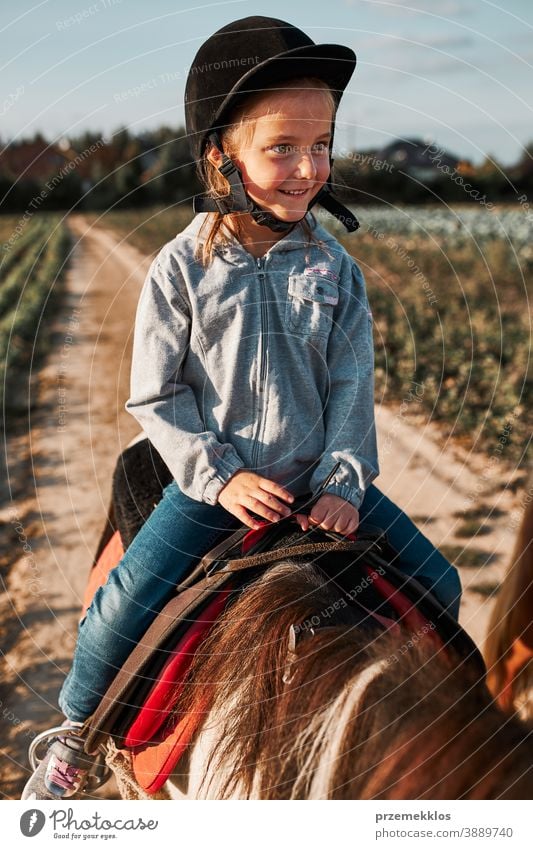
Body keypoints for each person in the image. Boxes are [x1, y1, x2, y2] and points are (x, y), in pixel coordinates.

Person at [22, 16, 461, 800]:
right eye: (282, 148)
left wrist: (343, 480)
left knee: (440, 584)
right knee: (120, 612)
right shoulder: (179, 269)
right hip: (214, 485)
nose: (306, 167)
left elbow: (349, 390)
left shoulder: (336, 269)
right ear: (222, 155)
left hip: (316, 481)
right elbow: (155, 394)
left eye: (320, 144)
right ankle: (75, 735)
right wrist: (219, 476)